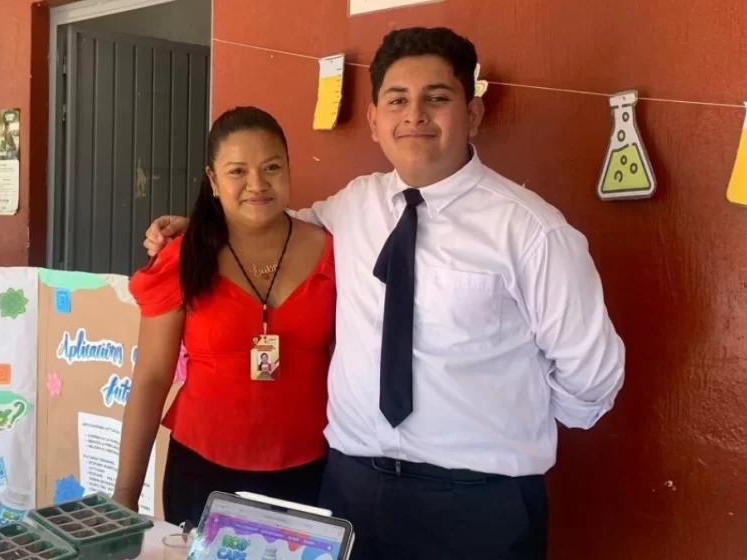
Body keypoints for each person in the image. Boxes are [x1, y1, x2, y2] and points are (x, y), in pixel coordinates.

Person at [143, 28, 625, 559]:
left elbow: (592, 374)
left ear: (473, 113)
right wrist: (200, 229)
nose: (414, 115)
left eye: (437, 98)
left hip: (477, 504)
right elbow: (273, 226)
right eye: (397, 100)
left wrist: (504, 419)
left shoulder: (531, 231)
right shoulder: (353, 206)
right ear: (374, 120)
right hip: (351, 492)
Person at [113, 107, 335, 527]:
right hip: (204, 474)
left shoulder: (333, 250)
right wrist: (125, 495)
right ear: (213, 180)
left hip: (312, 472)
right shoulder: (184, 257)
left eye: (272, 167)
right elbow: (152, 378)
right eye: (237, 171)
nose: (257, 184)